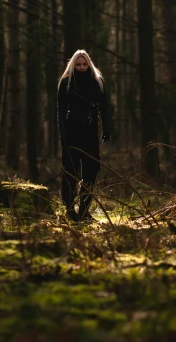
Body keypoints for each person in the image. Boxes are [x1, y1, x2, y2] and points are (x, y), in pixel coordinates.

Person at [57, 50, 112, 222]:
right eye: (78, 64)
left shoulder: (97, 83)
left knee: (91, 171)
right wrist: (62, 131)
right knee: (70, 172)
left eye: (84, 64)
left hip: (90, 131)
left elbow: (104, 108)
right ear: (73, 65)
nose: (81, 67)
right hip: (71, 131)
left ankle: (84, 211)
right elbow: (60, 109)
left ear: (89, 64)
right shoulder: (66, 83)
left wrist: (107, 128)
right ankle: (69, 210)